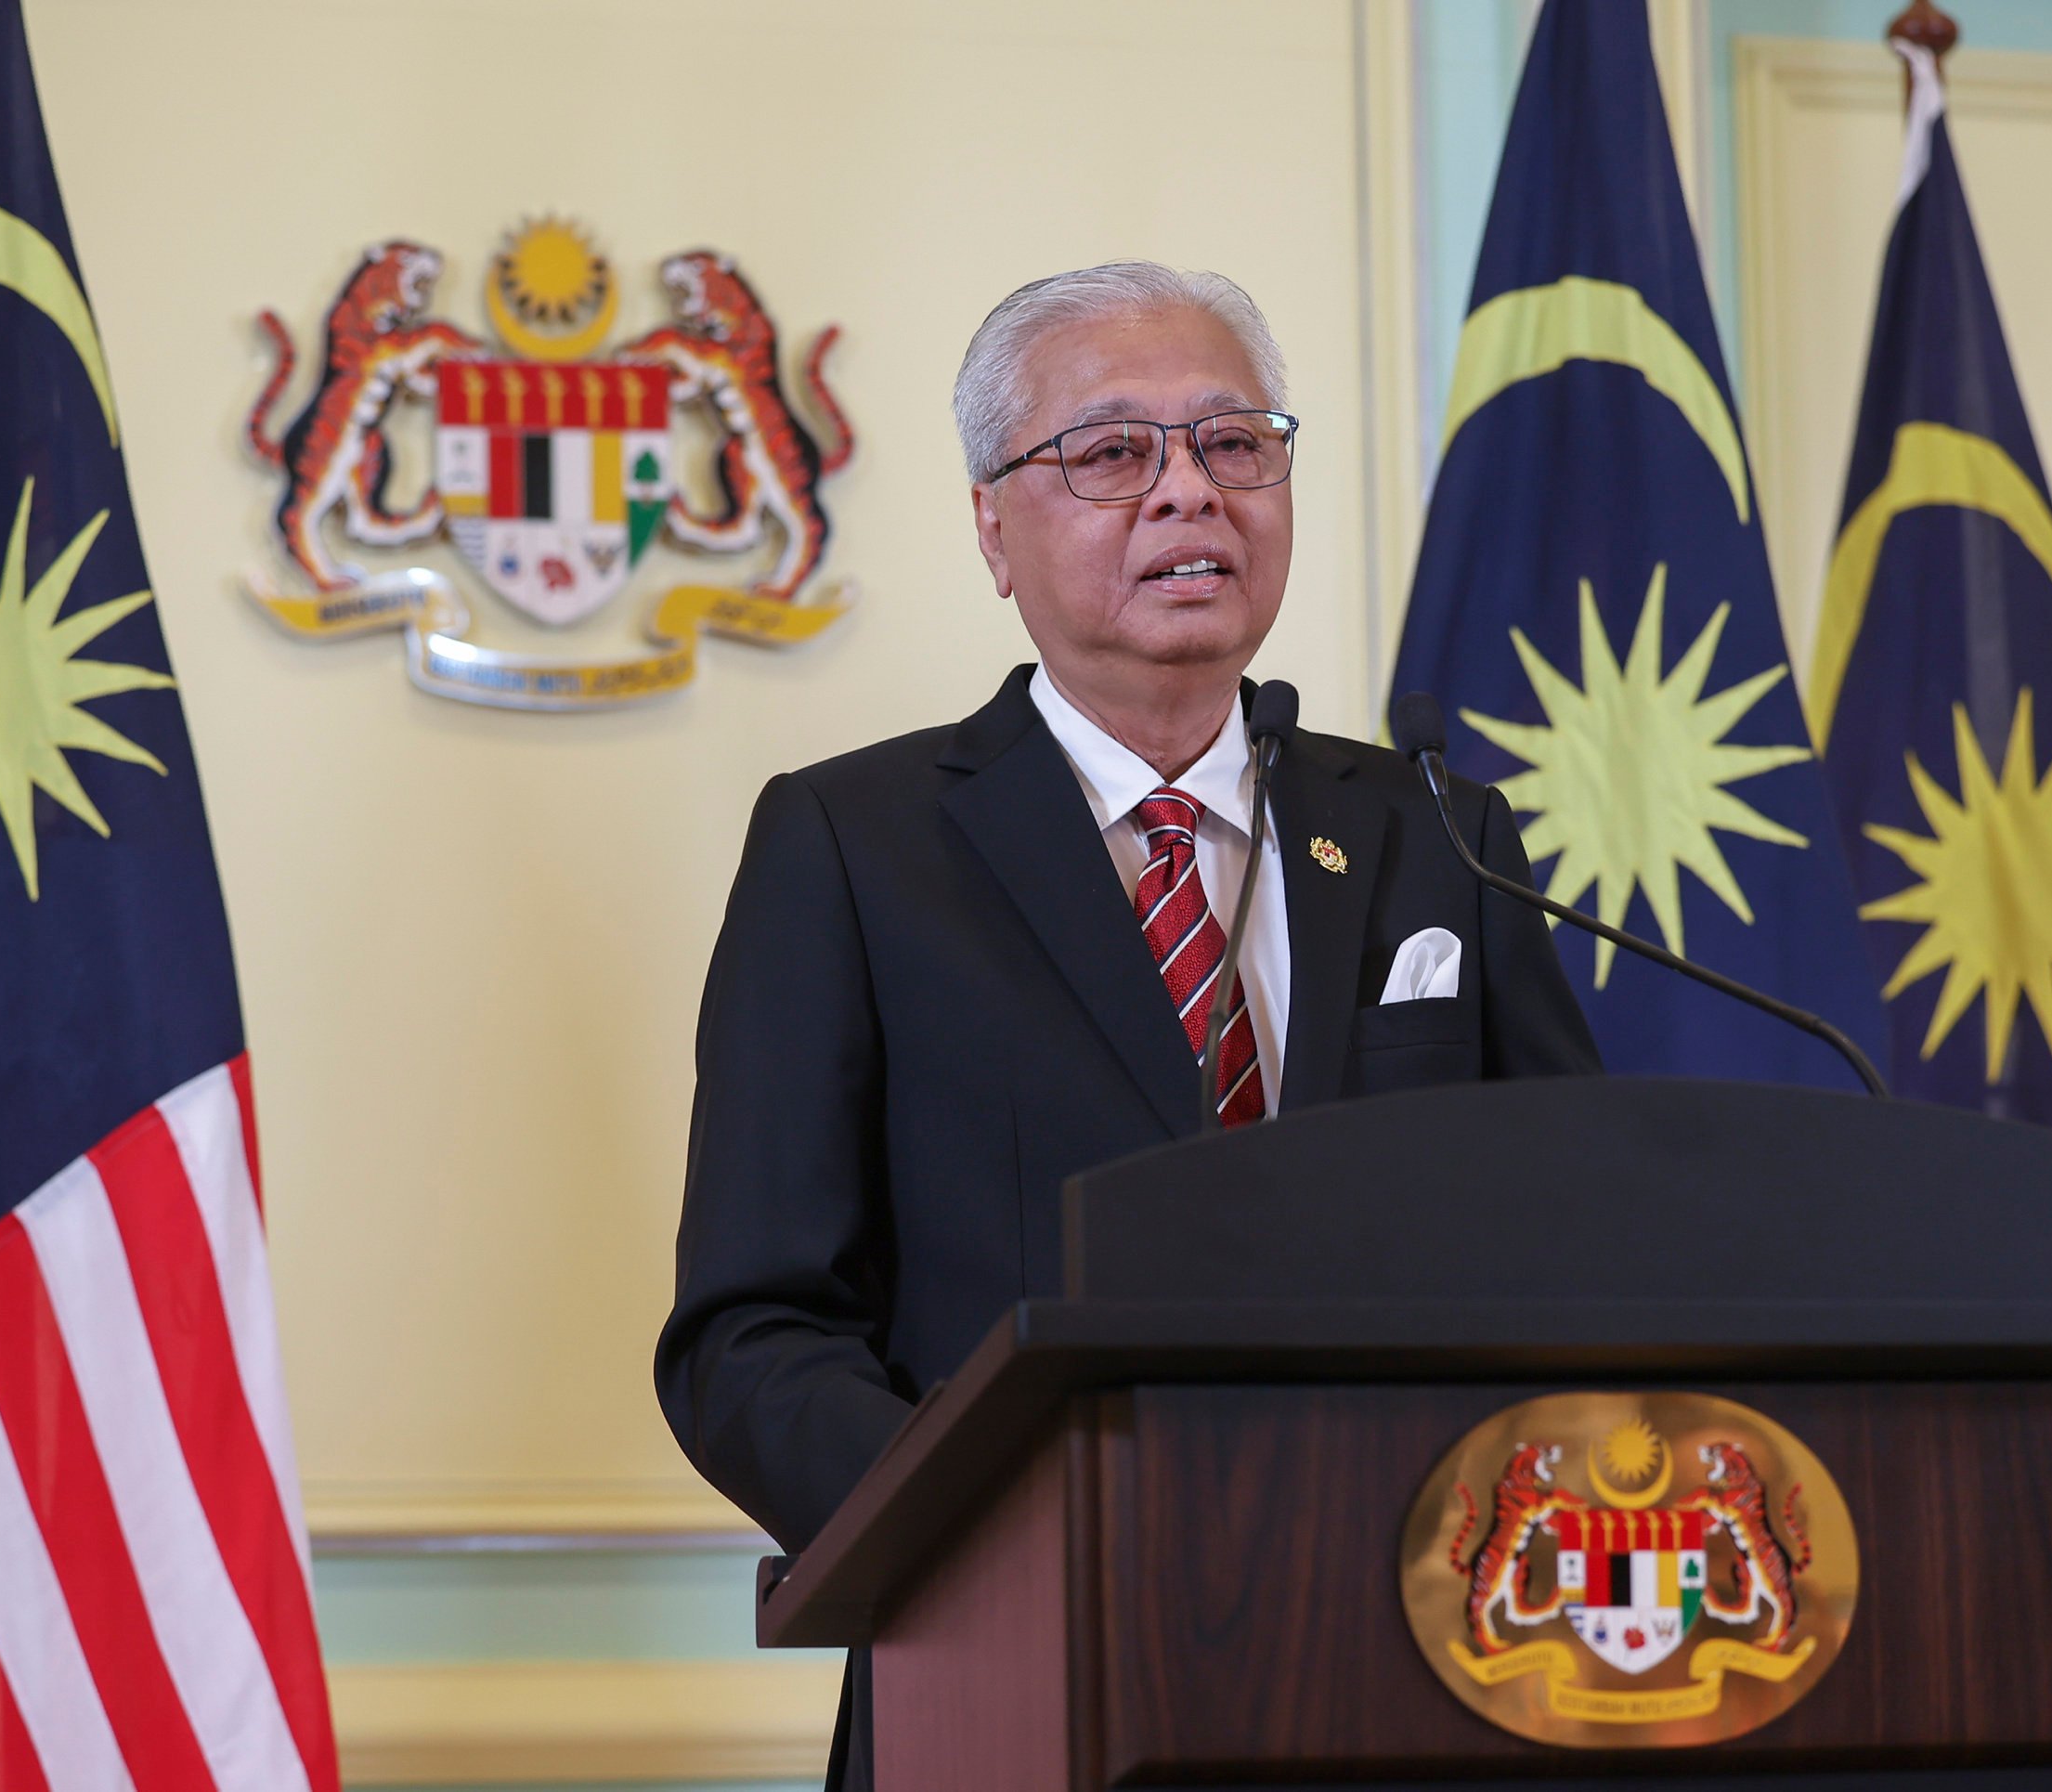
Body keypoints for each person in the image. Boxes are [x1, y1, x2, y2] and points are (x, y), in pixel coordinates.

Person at [655, 261, 1601, 1789]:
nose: (1189, 496)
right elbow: (751, 1330)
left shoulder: (1436, 827)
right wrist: (978, 1523)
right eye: (1111, 454)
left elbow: (1573, 1237)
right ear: (991, 527)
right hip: (1011, 1671)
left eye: (1236, 444)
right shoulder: (855, 843)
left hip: (1416, 1661)